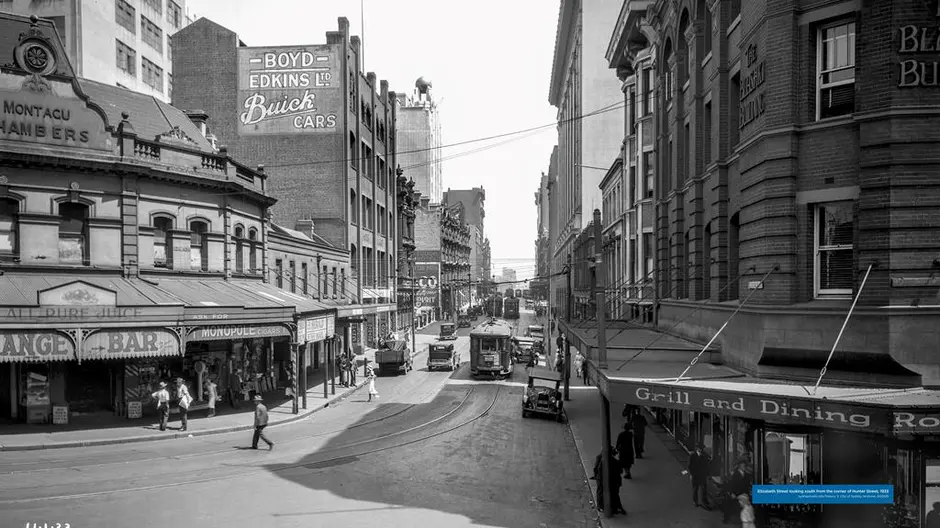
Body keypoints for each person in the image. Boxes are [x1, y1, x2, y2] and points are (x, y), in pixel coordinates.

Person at [592, 448, 627, 515]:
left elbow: (596, 468)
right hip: (610, 481)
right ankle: (614, 507)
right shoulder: (613, 461)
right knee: (612, 494)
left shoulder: (603, 459)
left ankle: (607, 507)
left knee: (605, 493)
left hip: (606, 480)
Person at [688, 443, 712, 509]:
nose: (701, 449)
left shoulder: (705, 456)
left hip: (702, 475)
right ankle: (695, 501)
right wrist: (692, 474)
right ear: (697, 449)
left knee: (704, 489)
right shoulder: (692, 456)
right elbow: (690, 466)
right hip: (695, 476)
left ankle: (704, 501)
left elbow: (707, 466)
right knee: (695, 489)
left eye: (702, 448)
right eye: (699, 448)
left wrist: (708, 475)